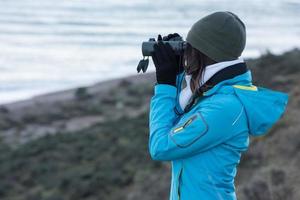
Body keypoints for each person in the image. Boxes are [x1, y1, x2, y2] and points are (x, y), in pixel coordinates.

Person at [148, 11, 288, 200]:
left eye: (190, 48)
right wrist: (175, 75)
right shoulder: (216, 93)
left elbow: (162, 146)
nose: (187, 52)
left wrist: (165, 86)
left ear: (203, 53)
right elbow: (179, 124)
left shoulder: (224, 108)